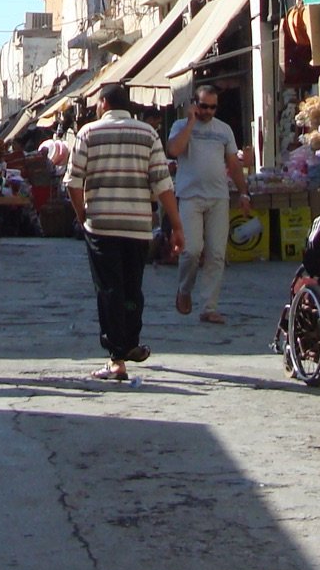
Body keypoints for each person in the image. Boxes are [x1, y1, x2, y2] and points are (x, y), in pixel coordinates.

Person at [65, 84, 182, 382]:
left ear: (104, 103)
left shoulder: (88, 133)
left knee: (109, 289)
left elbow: (73, 181)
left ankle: (117, 357)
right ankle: (130, 341)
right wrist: (177, 225)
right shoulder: (147, 134)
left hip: (102, 225)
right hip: (138, 226)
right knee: (132, 287)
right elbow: (163, 184)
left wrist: (83, 216)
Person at [167, 86, 250, 324]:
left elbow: (233, 163)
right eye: (204, 106)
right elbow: (173, 150)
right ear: (195, 104)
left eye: (213, 107)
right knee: (191, 250)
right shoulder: (180, 127)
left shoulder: (224, 130)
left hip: (218, 197)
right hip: (190, 196)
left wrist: (244, 193)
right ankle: (184, 289)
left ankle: (209, 306)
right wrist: (191, 122)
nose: (208, 111)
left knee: (216, 253)